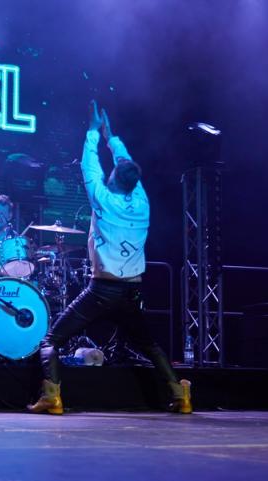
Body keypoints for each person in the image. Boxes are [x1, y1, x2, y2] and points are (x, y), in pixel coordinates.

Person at [27, 100, 192, 415]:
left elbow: (89, 164)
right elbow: (125, 163)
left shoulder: (102, 199)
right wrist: (111, 137)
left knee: (51, 340)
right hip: (132, 291)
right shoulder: (141, 200)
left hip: (102, 290)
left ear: (114, 178)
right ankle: (181, 395)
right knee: (149, 344)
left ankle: (52, 397)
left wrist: (94, 133)